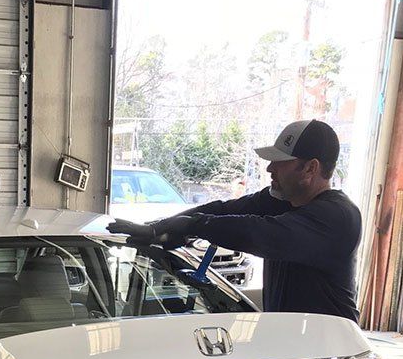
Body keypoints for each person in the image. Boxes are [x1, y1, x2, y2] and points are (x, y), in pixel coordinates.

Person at [109, 119, 361, 321]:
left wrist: (193, 225)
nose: (269, 169)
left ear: (310, 169)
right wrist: (158, 228)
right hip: (291, 345)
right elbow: (224, 210)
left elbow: (259, 233)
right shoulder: (282, 201)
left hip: (333, 356)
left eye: (281, 162)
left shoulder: (337, 217)